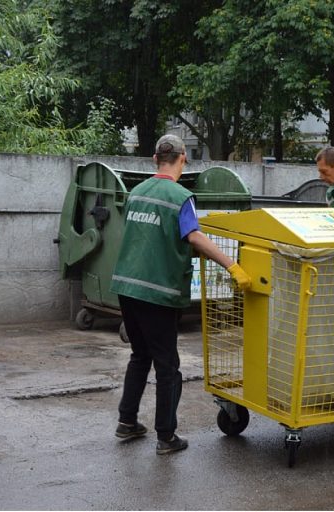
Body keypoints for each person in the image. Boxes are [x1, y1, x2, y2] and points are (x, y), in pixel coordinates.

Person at [110, 134, 252, 454]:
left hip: (126, 288)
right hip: (157, 293)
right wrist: (232, 265)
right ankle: (166, 437)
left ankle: (127, 422)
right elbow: (193, 237)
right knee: (167, 366)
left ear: (154, 159)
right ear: (183, 158)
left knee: (140, 355)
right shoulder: (181, 197)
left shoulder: (135, 193)